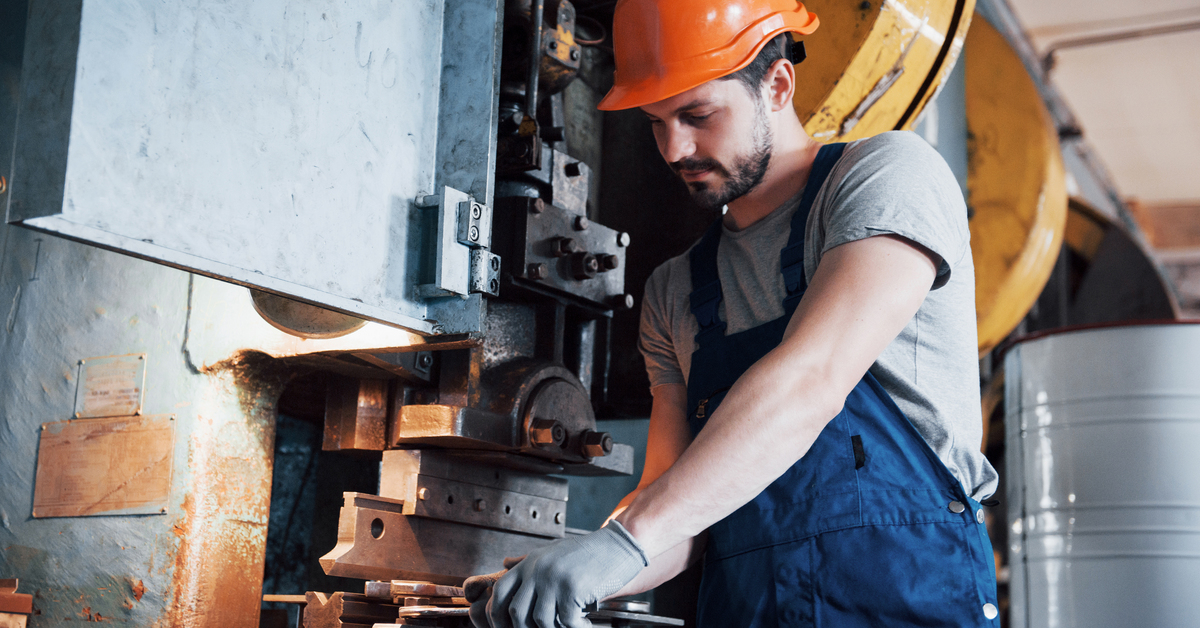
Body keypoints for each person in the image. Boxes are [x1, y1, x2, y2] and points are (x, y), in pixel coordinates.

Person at [465, 0, 1000, 626]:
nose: (675, 148)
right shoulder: (674, 291)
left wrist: (622, 543)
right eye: (655, 121)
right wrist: (578, 570)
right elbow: (680, 516)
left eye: (697, 114)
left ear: (777, 85)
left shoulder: (887, 176)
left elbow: (811, 381)